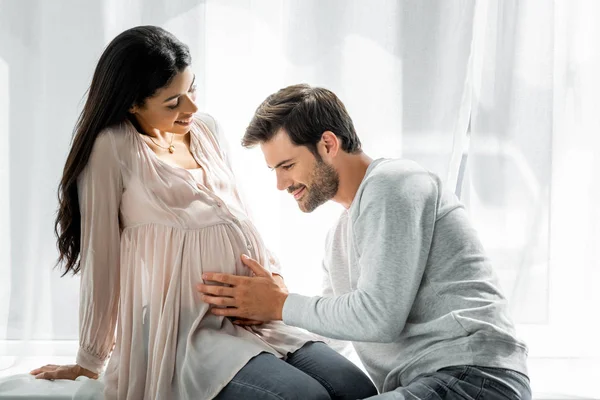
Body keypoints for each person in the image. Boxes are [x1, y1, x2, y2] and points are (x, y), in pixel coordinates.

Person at [29, 28, 377, 400]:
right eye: (173, 101)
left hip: (257, 317)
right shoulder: (113, 148)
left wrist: (271, 284)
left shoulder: (206, 130)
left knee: (357, 389)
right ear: (133, 103)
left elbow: (241, 216)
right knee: (304, 397)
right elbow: (103, 258)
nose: (191, 109)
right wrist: (90, 359)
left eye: (192, 89)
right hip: (188, 331)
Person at [198, 84, 532, 399]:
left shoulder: (393, 184)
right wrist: (258, 324)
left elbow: (378, 317)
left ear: (328, 144)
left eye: (287, 165)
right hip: (431, 382)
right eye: (274, 170)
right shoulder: (339, 237)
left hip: (474, 378)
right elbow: (334, 331)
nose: (281, 183)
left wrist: (281, 303)